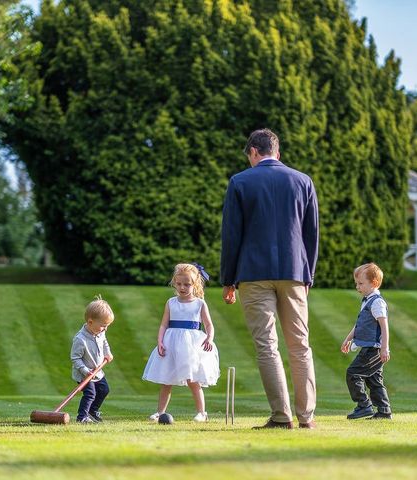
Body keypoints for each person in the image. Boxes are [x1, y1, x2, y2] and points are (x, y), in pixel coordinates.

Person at [220, 128, 319, 430]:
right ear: (277, 152)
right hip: (294, 272)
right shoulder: (303, 181)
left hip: (253, 273)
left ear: (253, 151)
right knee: (300, 345)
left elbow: (231, 235)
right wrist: (308, 275)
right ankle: (307, 417)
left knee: (267, 345)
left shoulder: (239, 182)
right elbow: (311, 234)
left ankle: (281, 415)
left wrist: (228, 279)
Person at [142, 263, 219, 422]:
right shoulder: (171, 302)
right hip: (171, 344)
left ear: (195, 284)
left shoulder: (199, 303)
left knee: (193, 380)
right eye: (179, 284)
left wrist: (209, 338)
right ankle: (159, 412)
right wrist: (160, 341)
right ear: (174, 283)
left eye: (187, 284)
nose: (182, 287)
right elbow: (164, 324)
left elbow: (209, 325)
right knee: (166, 380)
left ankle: (201, 412)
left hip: (192, 347)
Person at [340, 263, 392, 420]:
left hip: (374, 349)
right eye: (356, 283)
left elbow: (384, 326)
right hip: (368, 347)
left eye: (361, 283)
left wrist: (385, 349)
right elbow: (360, 324)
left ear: (374, 283)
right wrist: (348, 339)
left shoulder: (377, 302)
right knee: (374, 379)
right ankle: (384, 411)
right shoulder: (366, 301)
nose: (357, 286)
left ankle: (364, 405)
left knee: (353, 373)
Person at [71, 296, 115, 423]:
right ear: (90, 322)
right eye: (103, 326)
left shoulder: (100, 332)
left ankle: (92, 411)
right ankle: (82, 417)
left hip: (98, 371)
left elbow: (104, 342)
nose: (105, 329)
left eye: (107, 326)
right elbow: (75, 358)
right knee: (90, 394)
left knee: (104, 390)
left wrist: (108, 353)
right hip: (84, 373)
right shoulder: (80, 339)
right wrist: (85, 371)